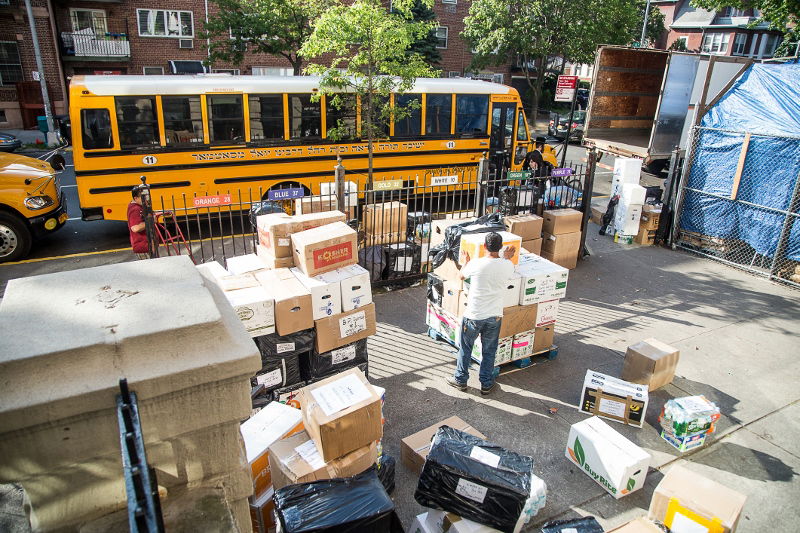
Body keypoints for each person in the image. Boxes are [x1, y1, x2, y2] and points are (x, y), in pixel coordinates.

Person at [447, 232, 516, 395]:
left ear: (484, 246)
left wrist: (465, 262)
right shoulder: (507, 265)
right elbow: (506, 267)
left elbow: (461, 276)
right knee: (489, 351)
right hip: (494, 316)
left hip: (474, 315)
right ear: (500, 247)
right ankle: (486, 383)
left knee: (466, 348)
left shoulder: (476, 264)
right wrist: (507, 258)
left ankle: (460, 380)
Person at [128, 187, 149, 259]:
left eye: (146, 197)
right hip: (143, 246)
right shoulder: (135, 209)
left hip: (145, 245)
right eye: (143, 197)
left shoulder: (140, 206)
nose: (146, 199)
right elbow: (135, 228)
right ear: (136, 198)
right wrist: (150, 221)